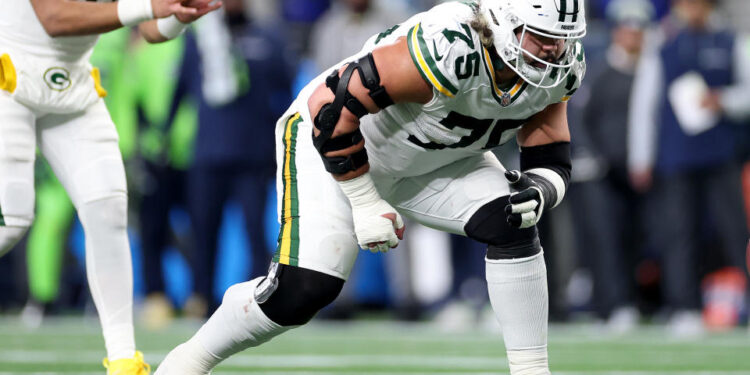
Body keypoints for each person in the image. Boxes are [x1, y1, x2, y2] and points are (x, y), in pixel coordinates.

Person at [156, 1, 586, 374]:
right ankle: (190, 361)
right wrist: (364, 201)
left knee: (514, 216)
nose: (554, 51)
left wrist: (539, 191)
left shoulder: (559, 69)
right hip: (339, 145)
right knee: (303, 291)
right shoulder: (450, 48)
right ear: (502, 23)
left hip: (436, 160)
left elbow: (549, 155)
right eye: (542, 36)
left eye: (562, 40)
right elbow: (328, 109)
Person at [0, 0, 220, 373]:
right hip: (10, 76)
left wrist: (179, 17)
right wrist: (152, 6)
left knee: (108, 209)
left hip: (72, 84)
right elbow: (54, 18)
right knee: (14, 217)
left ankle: (123, 361)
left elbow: (151, 29)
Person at [628, 0, 750, 335]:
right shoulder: (661, 42)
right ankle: (684, 307)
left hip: (721, 155)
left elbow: (748, 93)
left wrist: (723, 100)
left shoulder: (731, 40)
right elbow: (645, 102)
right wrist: (641, 157)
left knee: (737, 231)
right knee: (679, 233)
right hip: (676, 156)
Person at [168, 0, 294, 316]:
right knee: (204, 231)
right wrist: (164, 138)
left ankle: (260, 300)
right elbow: (180, 92)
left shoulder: (267, 37)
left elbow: (286, 91)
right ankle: (201, 297)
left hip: (253, 155)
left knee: (256, 231)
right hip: (208, 153)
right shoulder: (201, 36)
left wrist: (280, 146)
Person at [571, 0, 654, 331]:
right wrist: (591, 153)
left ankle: (630, 301)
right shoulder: (599, 69)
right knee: (603, 239)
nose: (632, 35)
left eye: (638, 29)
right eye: (626, 28)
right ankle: (609, 305)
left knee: (635, 238)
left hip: (636, 170)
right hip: (599, 171)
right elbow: (577, 116)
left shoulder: (650, 72)